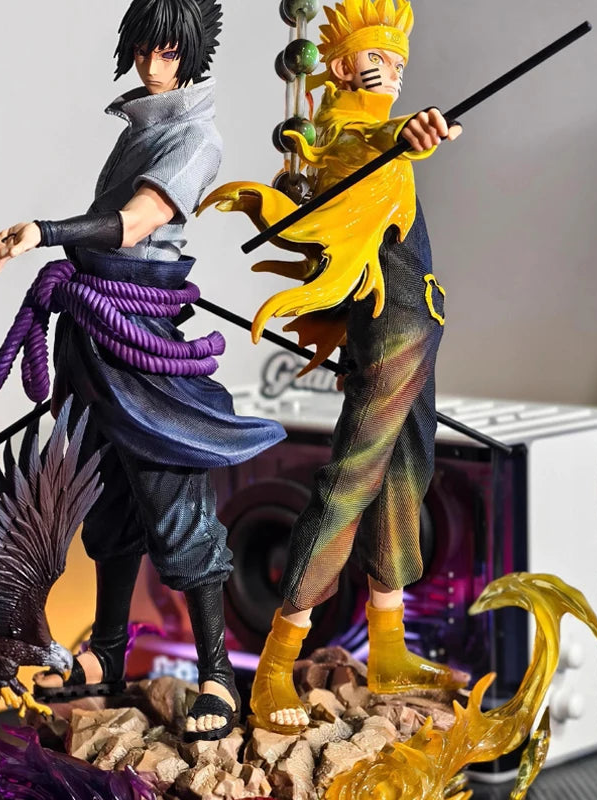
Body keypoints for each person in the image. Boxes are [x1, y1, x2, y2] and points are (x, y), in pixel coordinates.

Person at [0, 0, 285, 742]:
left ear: (190, 52)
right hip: (91, 338)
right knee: (105, 500)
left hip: (138, 343)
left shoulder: (195, 136)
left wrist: (44, 232)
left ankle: (217, 675)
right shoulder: (139, 127)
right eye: (141, 47)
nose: (150, 62)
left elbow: (137, 223)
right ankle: (108, 650)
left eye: (165, 50)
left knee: (173, 503)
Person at [200, 0, 467, 734]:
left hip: (416, 329)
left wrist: (402, 136)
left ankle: (389, 646)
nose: (394, 71)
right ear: (344, 66)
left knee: (406, 475)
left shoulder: (368, 135)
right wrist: (406, 135)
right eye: (379, 58)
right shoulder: (351, 135)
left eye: (400, 62)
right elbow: (375, 141)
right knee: (352, 481)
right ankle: (277, 663)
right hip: (392, 334)